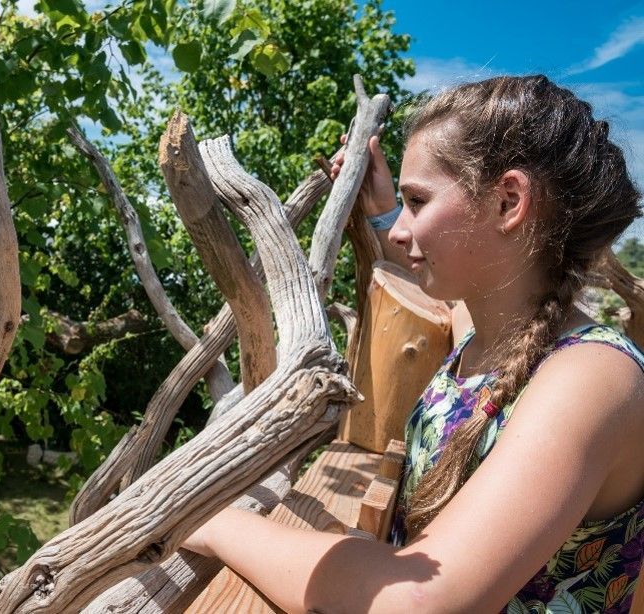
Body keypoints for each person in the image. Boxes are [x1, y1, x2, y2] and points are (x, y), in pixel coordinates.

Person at [180, 75, 644, 613]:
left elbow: (419, 601)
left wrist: (214, 523)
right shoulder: (496, 331)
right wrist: (382, 206)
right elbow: (440, 296)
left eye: (417, 201)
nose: (400, 229)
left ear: (508, 201)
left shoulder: (591, 379)